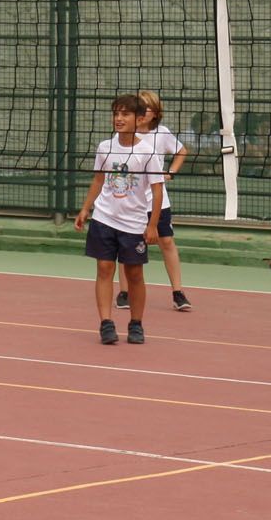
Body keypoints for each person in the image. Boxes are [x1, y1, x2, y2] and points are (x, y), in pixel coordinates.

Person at [74, 93, 165, 347]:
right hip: (104, 217)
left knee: (134, 273)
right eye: (116, 113)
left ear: (139, 119)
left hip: (134, 222)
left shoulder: (147, 152)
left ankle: (136, 324)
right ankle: (106, 323)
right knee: (104, 268)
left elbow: (157, 190)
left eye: (125, 114)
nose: (118, 118)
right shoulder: (105, 147)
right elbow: (98, 180)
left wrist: (153, 224)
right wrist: (85, 209)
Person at [119, 89, 191, 314]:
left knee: (166, 242)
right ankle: (124, 292)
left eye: (147, 107)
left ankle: (178, 293)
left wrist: (171, 172)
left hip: (157, 200)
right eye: (139, 107)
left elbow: (182, 151)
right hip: (130, 200)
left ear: (155, 112)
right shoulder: (125, 134)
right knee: (126, 245)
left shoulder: (161, 133)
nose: (143, 111)